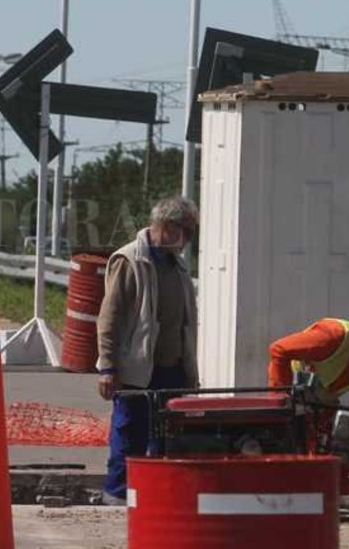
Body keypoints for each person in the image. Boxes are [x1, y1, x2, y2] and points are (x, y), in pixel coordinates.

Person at [95, 196, 199, 505]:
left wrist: (190, 372)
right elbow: (109, 317)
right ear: (166, 226)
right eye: (186, 231)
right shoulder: (129, 260)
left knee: (169, 441)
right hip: (138, 371)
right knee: (130, 436)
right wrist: (108, 367)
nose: (188, 239)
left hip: (173, 370)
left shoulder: (177, 266)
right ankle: (117, 500)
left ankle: (156, 501)